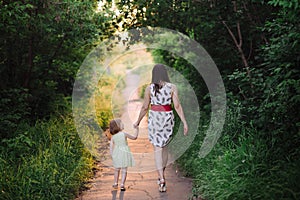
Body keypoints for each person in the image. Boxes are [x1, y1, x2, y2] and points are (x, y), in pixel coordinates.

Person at [134, 64, 188, 192]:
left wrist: (137, 121)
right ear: (165, 73)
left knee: (157, 149)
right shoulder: (172, 87)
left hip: (154, 120)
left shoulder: (149, 89)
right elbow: (177, 106)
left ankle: (161, 178)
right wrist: (184, 122)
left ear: (154, 74)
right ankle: (161, 177)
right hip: (167, 119)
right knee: (164, 149)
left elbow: (145, 107)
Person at [109, 118, 139, 191]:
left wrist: (112, 155)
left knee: (116, 169)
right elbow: (134, 137)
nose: (123, 124)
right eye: (121, 123)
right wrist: (137, 129)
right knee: (124, 170)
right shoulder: (124, 134)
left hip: (117, 153)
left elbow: (111, 147)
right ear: (118, 126)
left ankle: (115, 183)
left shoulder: (113, 137)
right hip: (125, 153)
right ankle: (122, 184)